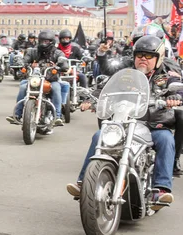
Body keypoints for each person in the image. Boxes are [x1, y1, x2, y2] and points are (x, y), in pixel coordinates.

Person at [66, 35, 178, 211]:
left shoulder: (167, 76)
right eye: (140, 54)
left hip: (154, 125)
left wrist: (174, 97)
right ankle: (84, 183)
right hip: (124, 121)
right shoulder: (125, 74)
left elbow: (178, 87)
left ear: (158, 58)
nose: (143, 59)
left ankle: (160, 188)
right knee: (99, 136)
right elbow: (105, 87)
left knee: (166, 140)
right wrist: (92, 99)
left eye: (148, 56)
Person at [6, 30, 68, 126]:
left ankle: (57, 116)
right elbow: (24, 60)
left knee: (56, 88)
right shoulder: (32, 51)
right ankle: (17, 115)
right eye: (42, 41)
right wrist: (22, 64)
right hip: (34, 79)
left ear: (51, 42)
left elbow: (63, 62)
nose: (44, 43)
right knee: (23, 87)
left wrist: (61, 65)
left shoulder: (57, 53)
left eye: (46, 41)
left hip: (51, 80)